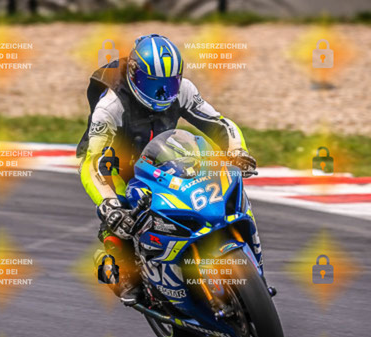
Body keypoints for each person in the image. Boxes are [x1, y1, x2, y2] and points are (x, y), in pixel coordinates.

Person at [78, 34, 257, 305]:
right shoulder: (110, 106)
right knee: (123, 218)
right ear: (134, 75)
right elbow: (92, 162)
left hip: (161, 153)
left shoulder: (183, 90)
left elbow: (219, 123)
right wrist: (109, 204)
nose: (162, 94)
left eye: (169, 84)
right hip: (115, 165)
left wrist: (236, 151)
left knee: (207, 182)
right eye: (152, 85)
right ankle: (117, 266)